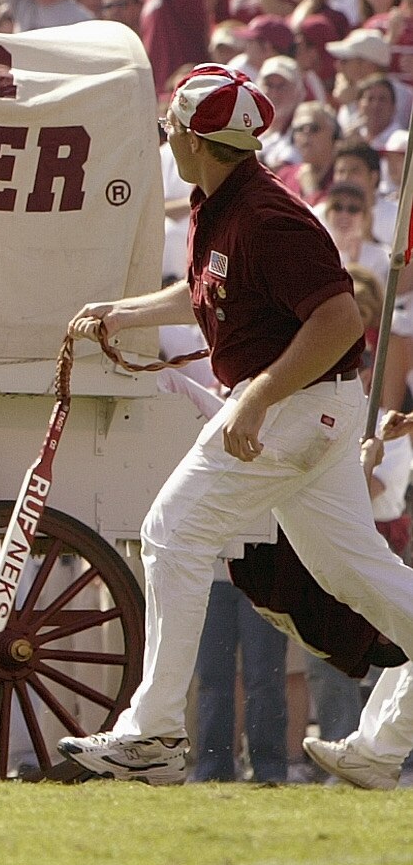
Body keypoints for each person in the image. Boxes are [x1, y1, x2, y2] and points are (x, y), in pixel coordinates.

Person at [61, 69, 413, 783]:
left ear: (196, 138)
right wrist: (125, 313)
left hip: (293, 404)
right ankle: (381, 750)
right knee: (358, 574)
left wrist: (254, 400)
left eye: (173, 125)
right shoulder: (220, 204)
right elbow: (211, 292)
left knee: (172, 530)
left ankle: (151, 733)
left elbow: (340, 319)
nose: (167, 135)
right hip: (310, 407)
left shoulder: (267, 219)